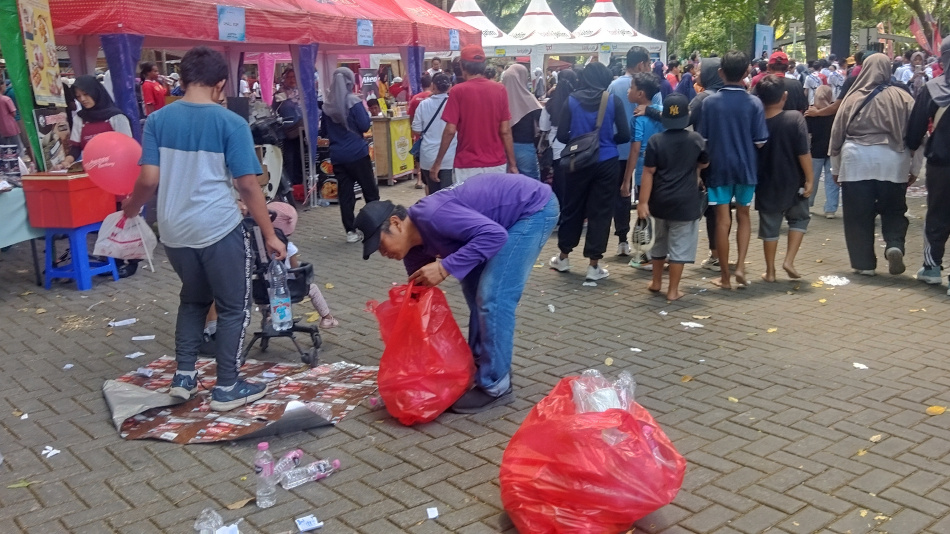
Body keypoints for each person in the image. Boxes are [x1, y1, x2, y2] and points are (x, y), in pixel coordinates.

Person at [122, 46, 285, 411]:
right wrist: (270, 235)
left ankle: (183, 376)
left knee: (193, 298)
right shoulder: (231, 123)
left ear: (181, 80)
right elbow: (248, 185)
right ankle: (227, 385)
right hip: (217, 228)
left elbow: (148, 178)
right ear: (221, 84)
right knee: (233, 307)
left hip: (174, 231)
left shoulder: (159, 121)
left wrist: (131, 207)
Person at [355, 174, 559, 413]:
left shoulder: (433, 215)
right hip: (496, 222)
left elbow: (495, 236)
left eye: (380, 245)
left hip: (532, 209)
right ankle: (481, 364)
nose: (383, 253)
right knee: (473, 291)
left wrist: (444, 267)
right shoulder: (413, 249)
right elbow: (418, 297)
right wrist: (410, 351)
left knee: (493, 297)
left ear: (396, 223)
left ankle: (496, 386)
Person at [830, 53, 920, 276]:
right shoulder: (904, 98)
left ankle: (864, 265)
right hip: (894, 162)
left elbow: (837, 135)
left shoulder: (852, 98)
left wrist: (835, 168)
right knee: (894, 209)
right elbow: (918, 136)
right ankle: (894, 244)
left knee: (858, 214)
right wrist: (915, 168)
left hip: (856, 162)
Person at [550, 62, 631, 281]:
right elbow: (624, 134)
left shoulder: (571, 101)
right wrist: (605, 141)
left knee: (572, 207)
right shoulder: (612, 100)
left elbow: (562, 136)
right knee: (601, 211)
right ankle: (594, 265)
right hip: (607, 161)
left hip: (578, 162)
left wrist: (580, 141)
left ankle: (564, 257)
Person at [700, 50, 769, 289]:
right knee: (744, 216)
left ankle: (725, 277)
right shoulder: (754, 103)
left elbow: (704, 139)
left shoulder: (710, 102)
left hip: (718, 168)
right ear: (747, 72)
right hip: (747, 167)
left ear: (720, 73)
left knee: (722, 220)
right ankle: (740, 266)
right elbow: (761, 140)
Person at [637, 93, 709, 300]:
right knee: (679, 247)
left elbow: (648, 172)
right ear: (687, 115)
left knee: (659, 242)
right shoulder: (696, 139)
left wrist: (643, 202)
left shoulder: (655, 141)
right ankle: (673, 290)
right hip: (686, 204)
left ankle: (656, 282)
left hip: (659, 202)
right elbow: (704, 162)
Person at [753, 75, 814, 283]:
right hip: (793, 180)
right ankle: (789, 261)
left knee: (770, 225)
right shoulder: (794, 119)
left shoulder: (756, 121)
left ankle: (770, 272)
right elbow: (803, 152)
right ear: (784, 96)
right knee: (799, 218)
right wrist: (810, 179)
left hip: (766, 182)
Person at [430, 45, 517, 183]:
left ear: (462, 66)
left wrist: (438, 162)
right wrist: (512, 164)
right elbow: (505, 131)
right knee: (493, 204)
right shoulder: (499, 89)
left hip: (467, 164)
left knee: (466, 204)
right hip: (496, 163)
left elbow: (450, 130)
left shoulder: (457, 91)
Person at [608, 46, 663, 258]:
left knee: (621, 194)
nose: (649, 66)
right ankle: (650, 245)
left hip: (619, 149)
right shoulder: (651, 88)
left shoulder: (613, 85)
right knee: (645, 196)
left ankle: (623, 240)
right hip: (648, 154)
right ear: (641, 64)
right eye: (648, 63)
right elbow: (660, 114)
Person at [905, 36, 950, 290]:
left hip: (941, 164)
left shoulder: (932, 88)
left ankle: (932, 267)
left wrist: (912, 148)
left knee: (937, 213)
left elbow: (914, 131)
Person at [320, 67, 381, 243]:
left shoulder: (327, 106)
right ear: (349, 81)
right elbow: (364, 126)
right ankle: (373, 226)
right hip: (358, 154)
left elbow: (324, 131)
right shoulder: (353, 102)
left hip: (338, 157)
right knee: (370, 191)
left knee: (346, 195)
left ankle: (350, 231)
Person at [269, 201, 339, 328]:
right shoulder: (289, 247)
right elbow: (295, 271)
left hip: (263, 288)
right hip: (287, 287)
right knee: (313, 288)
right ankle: (326, 318)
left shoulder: (259, 246)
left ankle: (269, 315)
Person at [688, 57, 727, 272]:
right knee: (723, 209)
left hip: (705, 161)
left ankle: (714, 255)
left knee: (710, 208)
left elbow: (681, 119)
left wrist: (652, 111)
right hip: (730, 160)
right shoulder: (731, 96)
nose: (696, 73)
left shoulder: (703, 98)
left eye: (700, 70)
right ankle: (721, 253)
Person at [621, 72, 664, 268]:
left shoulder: (638, 117)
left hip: (643, 171)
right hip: (665, 169)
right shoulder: (663, 111)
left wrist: (626, 179)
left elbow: (635, 148)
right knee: (660, 212)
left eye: (631, 87)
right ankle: (663, 252)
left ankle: (647, 255)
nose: (629, 90)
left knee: (645, 210)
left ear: (640, 93)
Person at [412, 73, 456, 194]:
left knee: (433, 195)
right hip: (449, 157)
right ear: (449, 87)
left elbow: (416, 129)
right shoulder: (454, 103)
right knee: (448, 196)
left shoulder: (423, 104)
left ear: (433, 86)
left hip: (428, 156)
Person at [541, 69, 577, 211]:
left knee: (560, 184)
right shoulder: (577, 101)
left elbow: (544, 127)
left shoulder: (550, 104)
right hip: (577, 148)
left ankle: (561, 214)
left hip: (557, 148)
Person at [502, 64, 542, 180]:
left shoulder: (499, 99)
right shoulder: (529, 99)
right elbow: (541, 122)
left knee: (508, 184)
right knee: (531, 183)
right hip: (525, 146)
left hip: (502, 147)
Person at [408, 73, 433, 190]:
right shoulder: (433, 97)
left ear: (421, 84)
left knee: (419, 158)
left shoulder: (415, 98)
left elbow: (411, 117)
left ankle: (419, 180)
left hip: (419, 133)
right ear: (431, 84)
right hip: (432, 133)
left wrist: (413, 130)